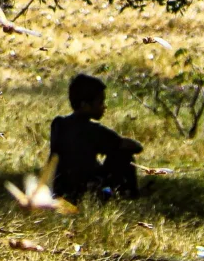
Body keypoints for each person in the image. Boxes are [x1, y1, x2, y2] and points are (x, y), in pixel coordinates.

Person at [48, 73, 143, 202]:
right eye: (100, 102)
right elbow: (135, 147)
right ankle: (129, 196)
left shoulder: (58, 124)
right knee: (123, 156)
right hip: (86, 191)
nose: (104, 106)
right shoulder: (94, 131)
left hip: (59, 189)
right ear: (85, 105)